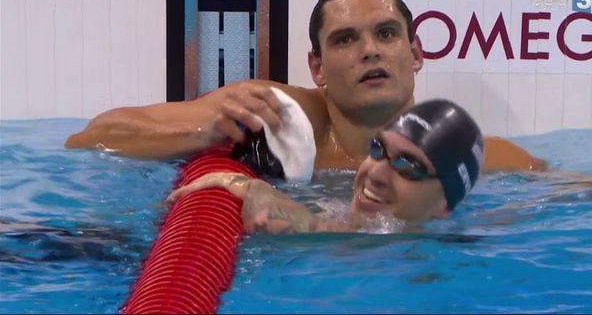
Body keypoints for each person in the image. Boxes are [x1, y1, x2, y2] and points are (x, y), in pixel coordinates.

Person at [64, 0, 547, 173]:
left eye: (386, 33)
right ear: (316, 67)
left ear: (415, 52)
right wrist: (204, 132)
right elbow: (92, 138)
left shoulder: (465, 154)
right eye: (345, 39)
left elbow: (584, 196)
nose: (370, 52)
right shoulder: (272, 113)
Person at [167, 99, 484, 234]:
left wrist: (251, 186)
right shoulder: (361, 224)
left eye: (408, 166)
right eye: (378, 149)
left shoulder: (395, 250)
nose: (375, 173)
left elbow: (267, 219)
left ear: (446, 203)